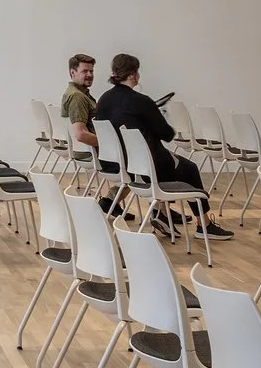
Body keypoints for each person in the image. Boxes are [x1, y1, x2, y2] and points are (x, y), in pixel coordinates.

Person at [92, 54, 233, 240]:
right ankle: (203, 224)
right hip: (144, 164)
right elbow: (166, 134)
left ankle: (163, 213)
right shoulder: (141, 101)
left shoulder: (103, 100)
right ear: (133, 74)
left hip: (115, 163)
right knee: (189, 169)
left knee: (169, 163)